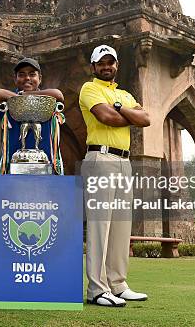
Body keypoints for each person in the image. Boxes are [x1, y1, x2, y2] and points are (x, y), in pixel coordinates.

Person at [79, 44, 151, 307]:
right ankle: (97, 289)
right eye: (101, 63)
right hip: (100, 158)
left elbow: (146, 119)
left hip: (124, 161)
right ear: (94, 66)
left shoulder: (123, 94)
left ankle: (118, 284)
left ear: (116, 65)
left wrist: (121, 108)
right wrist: (126, 113)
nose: (106, 67)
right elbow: (106, 116)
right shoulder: (90, 88)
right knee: (101, 225)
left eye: (111, 62)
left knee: (121, 226)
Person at [0, 58, 64, 174]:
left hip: (46, 166)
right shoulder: (9, 101)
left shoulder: (48, 101)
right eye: (22, 74)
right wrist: (19, 99)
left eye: (32, 74)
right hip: (13, 166)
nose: (27, 78)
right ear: (15, 79)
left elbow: (58, 95)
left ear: (40, 78)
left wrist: (26, 95)